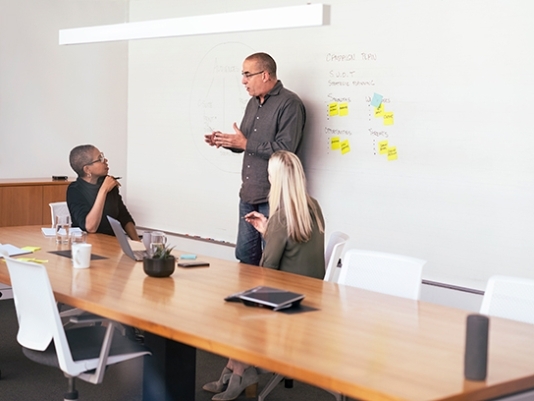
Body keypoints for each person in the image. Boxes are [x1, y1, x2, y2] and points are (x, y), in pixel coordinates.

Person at [202, 150, 325, 401]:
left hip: (289, 301)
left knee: (237, 309)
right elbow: (295, 249)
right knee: (242, 306)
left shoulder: (281, 217)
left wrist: (271, 234)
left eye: (269, 174)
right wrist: (269, 232)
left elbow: (268, 269)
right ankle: (233, 371)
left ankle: (239, 372)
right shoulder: (311, 206)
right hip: (311, 296)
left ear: (276, 179)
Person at [205, 52, 306, 266]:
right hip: (249, 193)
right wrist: (226, 141)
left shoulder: (290, 104)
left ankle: (267, 299)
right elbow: (245, 142)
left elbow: (286, 150)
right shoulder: (252, 103)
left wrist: (245, 144)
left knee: (272, 260)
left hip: (274, 196)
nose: (243, 81)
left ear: (265, 75)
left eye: (247, 74)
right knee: (245, 256)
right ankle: (247, 298)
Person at [66, 144, 140, 240]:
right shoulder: (74, 190)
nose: (105, 161)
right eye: (100, 159)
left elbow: (124, 217)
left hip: (112, 243)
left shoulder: (108, 184)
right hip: (85, 244)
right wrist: (103, 190)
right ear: (87, 169)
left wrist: (137, 242)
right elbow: (90, 227)